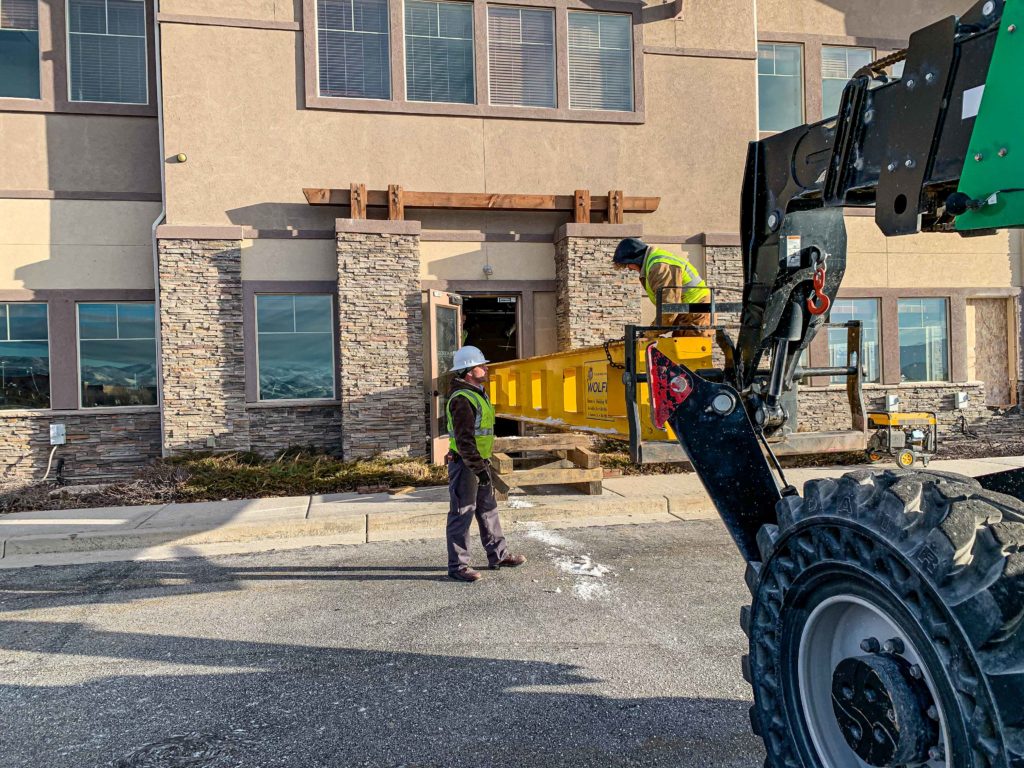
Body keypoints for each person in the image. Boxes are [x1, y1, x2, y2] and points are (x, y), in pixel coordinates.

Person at [445, 345, 527, 582]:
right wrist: (478, 469)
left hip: (479, 463)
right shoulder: (462, 399)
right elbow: (464, 441)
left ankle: (498, 555)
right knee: (462, 513)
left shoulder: (478, 392)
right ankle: (458, 567)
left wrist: (482, 467)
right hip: (466, 465)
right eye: (481, 366)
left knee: (488, 510)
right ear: (468, 372)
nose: (486, 368)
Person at [612, 237, 712, 337]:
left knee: (689, 351)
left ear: (636, 259)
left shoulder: (659, 266)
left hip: (697, 314)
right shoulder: (653, 263)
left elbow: (670, 307)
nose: (629, 268)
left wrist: (650, 333)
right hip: (689, 313)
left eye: (628, 264)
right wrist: (650, 331)